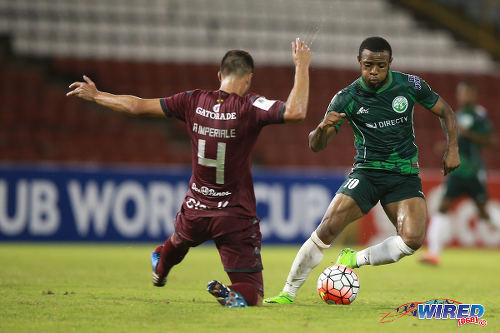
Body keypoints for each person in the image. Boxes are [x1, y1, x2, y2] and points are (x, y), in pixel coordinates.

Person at [67, 38, 311, 307]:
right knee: (253, 292)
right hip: (235, 215)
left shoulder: (192, 100)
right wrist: (302, 66)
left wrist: (97, 95)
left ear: (219, 75)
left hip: (195, 208)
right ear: (249, 79)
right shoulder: (251, 105)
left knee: (179, 241)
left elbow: (136, 106)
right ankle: (235, 293)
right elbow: (296, 112)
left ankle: (160, 267)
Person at [265, 36, 460, 304]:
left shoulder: (409, 85)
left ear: (390, 63)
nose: (374, 71)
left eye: (380, 65)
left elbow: (447, 111)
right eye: (368, 65)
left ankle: (354, 258)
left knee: (412, 240)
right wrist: (322, 128)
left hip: (403, 174)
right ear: (359, 62)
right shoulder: (347, 97)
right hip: (367, 172)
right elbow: (316, 146)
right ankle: (287, 292)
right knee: (327, 228)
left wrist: (453, 149)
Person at [420, 80, 496, 266]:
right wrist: (446, 147)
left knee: (484, 213)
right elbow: (459, 142)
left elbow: (490, 141)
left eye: (467, 93)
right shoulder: (458, 115)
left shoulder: (479, 116)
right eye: (461, 93)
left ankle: (434, 252)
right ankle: (434, 253)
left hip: (474, 171)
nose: (463, 96)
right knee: (443, 207)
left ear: (474, 95)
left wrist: (467, 133)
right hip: (457, 171)